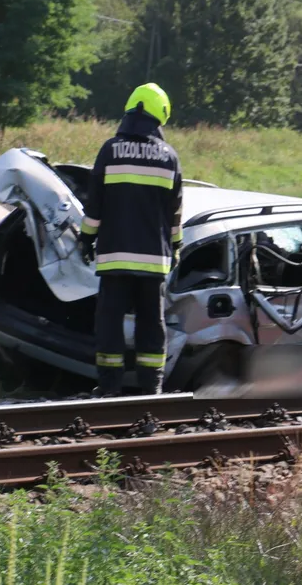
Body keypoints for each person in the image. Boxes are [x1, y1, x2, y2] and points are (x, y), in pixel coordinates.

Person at [78, 83, 183, 397]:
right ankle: (152, 389)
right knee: (151, 324)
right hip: (154, 261)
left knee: (109, 323)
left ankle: (109, 388)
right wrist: (175, 247)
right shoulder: (169, 157)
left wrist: (86, 239)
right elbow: (174, 212)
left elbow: (94, 205)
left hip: (114, 258)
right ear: (160, 115)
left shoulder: (110, 150)